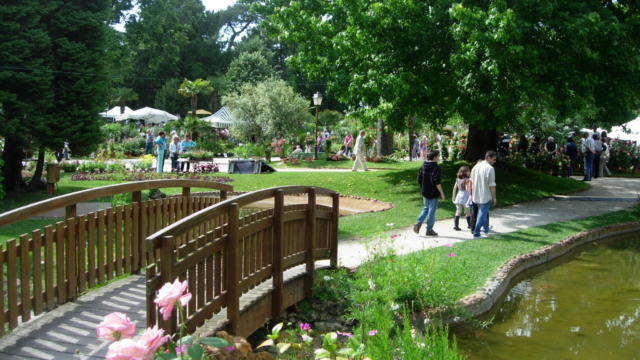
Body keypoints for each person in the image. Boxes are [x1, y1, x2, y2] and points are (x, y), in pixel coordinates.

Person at [413, 150, 446, 236]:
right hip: (433, 193)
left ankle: (418, 223)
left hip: (425, 192)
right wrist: (442, 193)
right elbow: (437, 182)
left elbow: (419, 180)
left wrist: (424, 188)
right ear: (434, 157)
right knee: (431, 211)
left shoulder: (423, 166)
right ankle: (429, 230)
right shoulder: (436, 167)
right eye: (438, 156)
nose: (439, 158)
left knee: (426, 208)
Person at [470, 151, 497, 239]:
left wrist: (471, 193)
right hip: (485, 195)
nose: (494, 161)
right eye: (494, 159)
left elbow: (471, 181)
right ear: (488, 157)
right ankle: (476, 233)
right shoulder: (490, 168)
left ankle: (485, 229)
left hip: (475, 194)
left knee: (483, 213)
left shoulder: (476, 166)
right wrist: (494, 198)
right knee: (482, 213)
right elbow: (492, 185)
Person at [451, 165, 471, 231]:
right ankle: (470, 225)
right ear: (465, 172)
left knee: (458, 211)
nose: (469, 172)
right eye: (468, 171)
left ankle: (456, 226)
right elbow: (468, 189)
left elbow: (454, 188)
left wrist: (453, 197)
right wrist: (471, 196)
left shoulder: (458, 179)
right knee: (467, 211)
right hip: (465, 196)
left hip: (459, 195)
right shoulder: (467, 180)